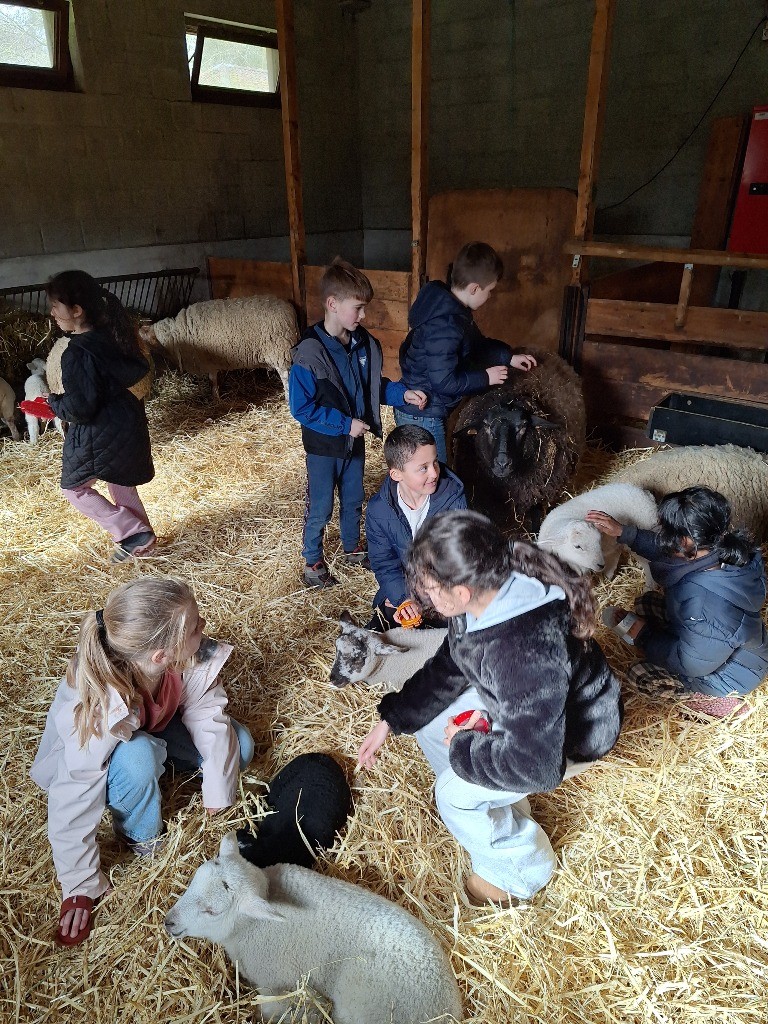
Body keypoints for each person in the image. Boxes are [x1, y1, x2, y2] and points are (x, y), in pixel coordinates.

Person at [357, 511, 622, 906]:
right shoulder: (489, 588)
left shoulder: (523, 653)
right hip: (531, 710)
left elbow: (539, 766)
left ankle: (522, 873)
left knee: (451, 797)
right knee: (430, 725)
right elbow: (453, 662)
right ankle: (497, 806)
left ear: (461, 593)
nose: (425, 596)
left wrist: (464, 747)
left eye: (430, 588)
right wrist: (391, 719)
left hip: (569, 736)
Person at [30, 577, 255, 946]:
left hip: (152, 727)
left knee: (240, 747)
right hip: (120, 750)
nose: (203, 626)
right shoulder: (99, 704)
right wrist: (79, 885)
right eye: (195, 626)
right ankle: (140, 835)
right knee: (140, 758)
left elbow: (205, 711)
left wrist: (218, 787)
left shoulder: (181, 658)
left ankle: (156, 767)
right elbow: (75, 791)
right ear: (160, 656)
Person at [289, 258, 427, 588]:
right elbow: (301, 408)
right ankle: (312, 562)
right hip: (324, 447)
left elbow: (371, 387)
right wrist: (343, 424)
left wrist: (402, 394)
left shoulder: (361, 344)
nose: (363, 316)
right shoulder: (309, 353)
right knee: (320, 506)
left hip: (355, 442)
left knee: (353, 499)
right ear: (332, 304)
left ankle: (352, 548)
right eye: (358, 308)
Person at [587, 486, 768, 717]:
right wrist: (624, 532)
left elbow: (691, 663)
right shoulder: (715, 547)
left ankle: (717, 705)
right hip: (714, 643)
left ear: (685, 541)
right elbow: (665, 551)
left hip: (730, 675)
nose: (663, 537)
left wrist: (644, 635)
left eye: (667, 533)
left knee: (639, 674)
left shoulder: (704, 606)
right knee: (646, 602)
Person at [45, 270, 157, 562]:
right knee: (120, 481)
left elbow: (80, 408)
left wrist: (54, 403)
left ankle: (132, 533)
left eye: (55, 306)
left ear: (77, 310)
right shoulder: (112, 336)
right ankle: (143, 545)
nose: (52, 313)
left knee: (74, 489)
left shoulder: (77, 353)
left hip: (100, 429)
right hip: (127, 420)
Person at [393, 241, 536, 464]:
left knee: (428, 472)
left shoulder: (454, 311)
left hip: (429, 407)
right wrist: (486, 377)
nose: (490, 296)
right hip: (422, 413)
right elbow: (444, 381)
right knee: (434, 473)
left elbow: (477, 345)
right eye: (490, 291)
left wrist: (508, 357)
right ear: (474, 288)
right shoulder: (446, 325)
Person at [365, 423, 466, 631]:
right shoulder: (379, 509)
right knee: (380, 624)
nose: (434, 473)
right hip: (407, 586)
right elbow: (384, 563)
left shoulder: (453, 499)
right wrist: (403, 599)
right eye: (423, 468)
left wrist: (429, 595)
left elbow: (459, 559)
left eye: (435, 462)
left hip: (447, 588)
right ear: (396, 474)